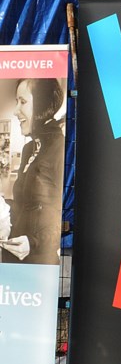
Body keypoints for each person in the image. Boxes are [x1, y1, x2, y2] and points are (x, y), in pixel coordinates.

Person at [2, 77, 65, 264]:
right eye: (16, 102)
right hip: (14, 256)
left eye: (23, 102)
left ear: (42, 105)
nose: (15, 111)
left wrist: (34, 242)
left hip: (39, 262)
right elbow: (26, 205)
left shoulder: (60, 148)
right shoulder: (29, 148)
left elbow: (65, 215)